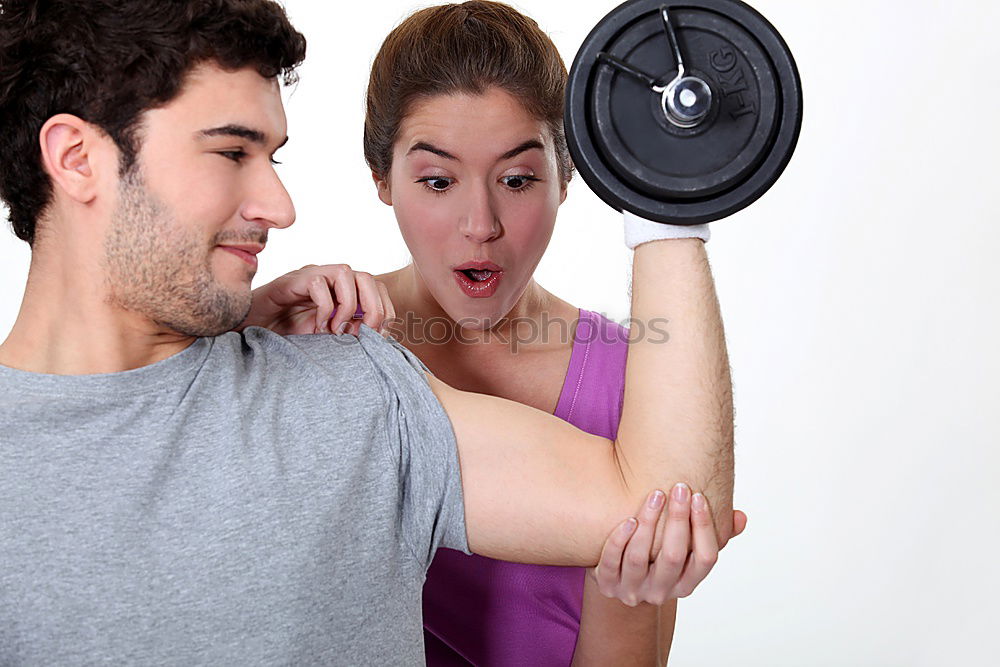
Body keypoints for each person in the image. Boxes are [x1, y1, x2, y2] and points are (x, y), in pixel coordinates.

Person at [0, 0, 738, 663]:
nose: (281, 207)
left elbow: (668, 505)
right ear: (76, 158)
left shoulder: (349, 389)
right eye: (232, 151)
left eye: (273, 157)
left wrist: (664, 188)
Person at [243, 2, 744, 664]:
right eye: (438, 180)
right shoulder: (315, 336)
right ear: (381, 179)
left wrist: (630, 594)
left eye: (515, 178)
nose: (480, 223)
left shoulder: (635, 381)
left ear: (568, 176)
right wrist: (243, 332)